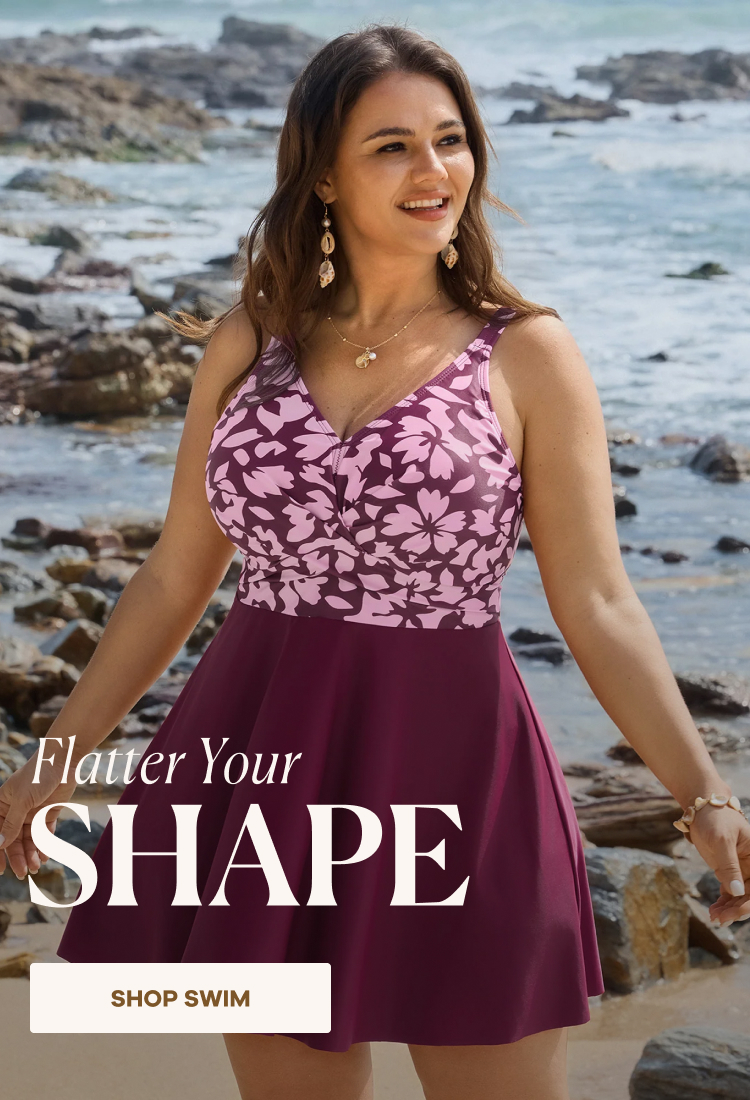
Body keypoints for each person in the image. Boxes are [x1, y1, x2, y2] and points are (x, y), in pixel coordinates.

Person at [1, 22, 748, 1100]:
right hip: (258, 755)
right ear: (322, 174)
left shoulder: (527, 350)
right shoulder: (249, 339)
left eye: (451, 139)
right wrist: (61, 750)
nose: (434, 169)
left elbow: (595, 598)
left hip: (453, 770)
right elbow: (178, 570)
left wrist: (703, 792)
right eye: (392, 145)